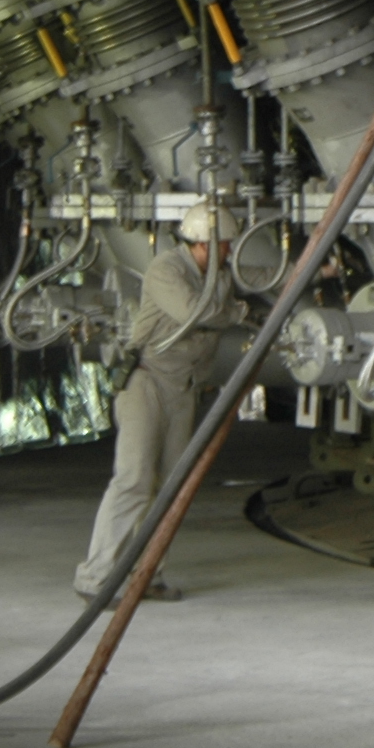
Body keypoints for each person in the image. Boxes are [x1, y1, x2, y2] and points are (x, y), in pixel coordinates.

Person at [74, 201, 240, 604]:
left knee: (169, 486)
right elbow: (193, 311)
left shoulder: (215, 274)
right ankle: (94, 579)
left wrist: (314, 269)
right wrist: (237, 311)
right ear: (204, 243)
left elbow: (257, 276)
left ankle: (146, 574)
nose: (230, 251)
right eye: (224, 244)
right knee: (133, 479)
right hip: (146, 382)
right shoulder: (167, 269)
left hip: (182, 387)